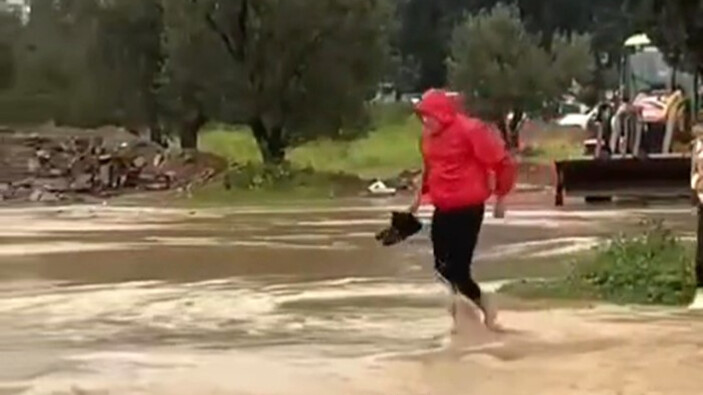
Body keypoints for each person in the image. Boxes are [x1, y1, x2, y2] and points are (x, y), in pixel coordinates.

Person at [409, 89, 516, 331]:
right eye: (422, 117)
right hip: (442, 207)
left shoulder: (471, 130)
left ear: (442, 114)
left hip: (468, 207)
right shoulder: (427, 137)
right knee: (441, 267)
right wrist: (417, 199)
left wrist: (501, 196)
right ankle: (467, 310)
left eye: (429, 116)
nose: (426, 121)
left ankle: (478, 309)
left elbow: (501, 162)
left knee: (457, 269)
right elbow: (430, 167)